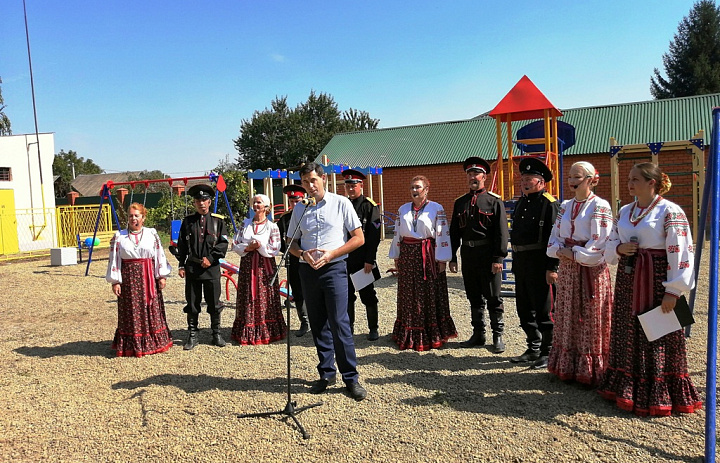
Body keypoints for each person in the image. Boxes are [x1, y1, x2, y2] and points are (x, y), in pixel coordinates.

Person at [597, 162, 702, 416]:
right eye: (629, 179)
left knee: (658, 332)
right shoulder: (624, 211)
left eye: (635, 179)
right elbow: (611, 241)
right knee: (627, 328)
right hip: (629, 276)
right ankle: (626, 386)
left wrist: (674, 291)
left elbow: (682, 251)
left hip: (656, 278)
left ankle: (659, 391)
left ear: (651, 183)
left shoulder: (669, 211)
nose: (629, 183)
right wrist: (620, 249)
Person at [287, 162, 367, 401]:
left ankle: (350, 378)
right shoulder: (300, 208)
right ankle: (326, 373)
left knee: (339, 322)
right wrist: (302, 254)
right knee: (318, 322)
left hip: (334, 268)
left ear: (323, 179)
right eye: (305, 182)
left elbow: (359, 238)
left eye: (313, 180)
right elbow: (291, 243)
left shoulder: (341, 203)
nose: (310, 186)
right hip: (308, 270)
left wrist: (333, 253)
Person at [546, 161, 614, 385]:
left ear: (590, 180)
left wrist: (574, 252)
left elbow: (600, 243)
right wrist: (559, 251)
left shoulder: (600, 206)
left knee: (590, 317)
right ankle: (568, 366)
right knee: (567, 314)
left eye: (577, 177)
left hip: (589, 271)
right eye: (570, 177)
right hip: (567, 268)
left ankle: (591, 370)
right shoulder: (565, 205)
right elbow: (554, 236)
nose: (572, 181)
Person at [389, 175, 457, 351]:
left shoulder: (436, 208)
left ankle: (431, 333)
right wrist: (396, 256)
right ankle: (408, 333)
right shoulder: (403, 209)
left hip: (428, 255)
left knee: (428, 293)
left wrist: (442, 258)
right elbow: (397, 233)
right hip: (408, 256)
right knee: (409, 294)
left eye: (418, 187)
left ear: (426, 189)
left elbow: (442, 233)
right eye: (412, 187)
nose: (414, 190)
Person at [449, 157, 509, 354]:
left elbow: (502, 232)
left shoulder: (494, 201)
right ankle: (478, 334)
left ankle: (497, 336)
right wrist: (452, 256)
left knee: (493, 295)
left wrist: (498, 258)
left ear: (484, 176)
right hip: (468, 254)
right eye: (469, 174)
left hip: (487, 254)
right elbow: (454, 232)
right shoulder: (460, 202)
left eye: (476, 173)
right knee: (473, 296)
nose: (472, 177)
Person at [509, 158, 559, 369]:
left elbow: (554, 237)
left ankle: (548, 352)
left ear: (541, 181)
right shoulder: (522, 201)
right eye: (523, 178)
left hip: (540, 261)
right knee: (524, 307)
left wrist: (552, 267)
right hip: (521, 262)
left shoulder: (549, 204)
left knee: (544, 308)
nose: (525, 182)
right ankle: (533, 347)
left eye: (530, 179)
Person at [106, 203, 173, 357]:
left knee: (151, 308)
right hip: (129, 279)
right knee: (131, 310)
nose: (133, 218)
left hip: (148, 276)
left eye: (137, 215)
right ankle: (133, 344)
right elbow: (114, 259)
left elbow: (158, 254)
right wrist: (116, 281)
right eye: (130, 215)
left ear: (143, 217)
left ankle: (154, 341)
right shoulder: (119, 237)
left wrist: (161, 275)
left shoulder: (151, 234)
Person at [175, 184, 229, 350]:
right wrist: (181, 264)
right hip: (193, 267)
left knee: (214, 302)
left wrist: (211, 258)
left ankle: (216, 333)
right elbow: (182, 245)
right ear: (194, 203)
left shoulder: (218, 222)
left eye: (204, 199)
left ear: (210, 201)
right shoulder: (188, 222)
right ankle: (192, 334)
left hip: (211, 268)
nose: (201, 203)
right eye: (198, 200)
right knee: (192, 302)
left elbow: (223, 244)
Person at [230, 194, 287, 345]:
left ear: (266, 207)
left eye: (259, 203)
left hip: (264, 265)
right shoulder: (245, 224)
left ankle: (266, 330)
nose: (256, 205)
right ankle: (247, 329)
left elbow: (275, 247)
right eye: (254, 203)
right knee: (248, 293)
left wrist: (260, 246)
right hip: (248, 264)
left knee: (264, 294)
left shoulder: (272, 226)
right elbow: (235, 242)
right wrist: (249, 247)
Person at [342, 168, 382, 341]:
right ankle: (348, 328)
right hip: (344, 258)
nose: (351, 189)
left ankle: (373, 328)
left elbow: (374, 236)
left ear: (361, 185)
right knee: (346, 295)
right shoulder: (342, 205)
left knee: (367, 295)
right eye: (348, 185)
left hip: (361, 258)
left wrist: (370, 259)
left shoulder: (369, 206)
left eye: (354, 185)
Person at [277, 184, 310, 337]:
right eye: (292, 201)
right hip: (293, 260)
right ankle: (304, 321)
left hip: (311, 259)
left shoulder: (311, 214)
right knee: (297, 291)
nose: (294, 204)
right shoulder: (285, 219)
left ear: (303, 199)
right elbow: (279, 240)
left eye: (297, 201)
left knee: (314, 290)